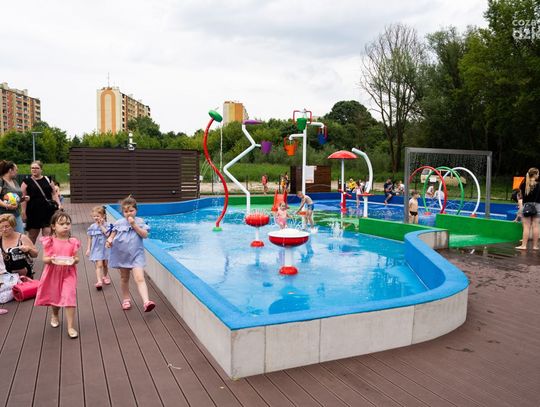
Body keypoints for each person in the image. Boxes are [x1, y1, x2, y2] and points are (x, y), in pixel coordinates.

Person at [34, 210, 80, 339]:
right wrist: (51, 259)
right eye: (62, 224)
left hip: (68, 273)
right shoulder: (50, 241)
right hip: (53, 273)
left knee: (69, 297)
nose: (65, 226)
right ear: (53, 226)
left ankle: (70, 326)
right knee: (55, 297)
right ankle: (55, 314)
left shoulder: (73, 241)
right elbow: (45, 259)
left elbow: (76, 258)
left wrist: (74, 260)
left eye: (68, 224)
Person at [106, 196, 155, 312]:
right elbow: (112, 235)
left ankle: (146, 302)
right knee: (124, 278)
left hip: (136, 255)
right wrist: (109, 241)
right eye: (126, 211)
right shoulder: (119, 223)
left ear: (136, 210)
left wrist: (134, 225)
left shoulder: (140, 222)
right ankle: (126, 299)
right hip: (122, 254)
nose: (128, 213)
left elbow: (144, 235)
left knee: (139, 278)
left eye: (131, 210)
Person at [21, 161, 62, 244]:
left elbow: (54, 194)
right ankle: (30, 251)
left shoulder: (48, 179)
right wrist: (23, 212)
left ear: (41, 169)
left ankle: (47, 251)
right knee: (32, 236)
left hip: (48, 211)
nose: (34, 169)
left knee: (48, 235)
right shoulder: (26, 181)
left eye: (37, 168)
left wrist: (59, 204)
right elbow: (23, 198)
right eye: (32, 168)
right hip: (33, 212)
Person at [85, 206, 111, 290]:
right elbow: (89, 238)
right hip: (96, 248)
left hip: (105, 248)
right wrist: (88, 249)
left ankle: (105, 276)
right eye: (94, 216)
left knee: (105, 264)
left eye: (98, 216)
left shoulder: (107, 225)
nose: (96, 218)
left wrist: (101, 225)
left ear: (103, 216)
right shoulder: (92, 227)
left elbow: (107, 234)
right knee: (99, 264)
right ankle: (99, 281)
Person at [516, 167, 540, 250]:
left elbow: (520, 197)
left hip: (527, 206)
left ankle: (523, 245)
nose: (538, 175)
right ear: (535, 174)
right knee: (536, 226)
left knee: (526, 227)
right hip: (538, 206)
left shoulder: (523, 185)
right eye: (538, 174)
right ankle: (535, 246)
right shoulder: (539, 185)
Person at [0, 160, 26, 233]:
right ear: (10, 170)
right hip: (4, 216)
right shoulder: (1, 181)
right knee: (5, 236)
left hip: (16, 214)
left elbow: (15, 199)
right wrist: (7, 205)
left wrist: (23, 199)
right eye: (16, 170)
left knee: (20, 234)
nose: (17, 172)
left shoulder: (14, 181)